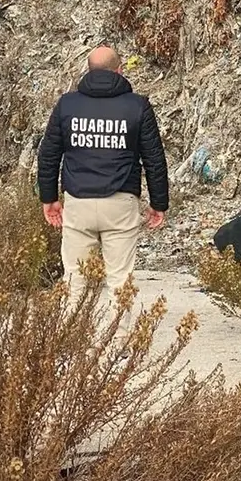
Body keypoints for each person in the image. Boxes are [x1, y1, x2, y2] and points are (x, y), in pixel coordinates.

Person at [37, 44, 169, 308]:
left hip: (78, 203)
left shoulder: (67, 105)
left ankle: (70, 345)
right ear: (119, 71)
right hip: (120, 203)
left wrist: (49, 198)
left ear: (88, 70)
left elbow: (49, 154)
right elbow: (154, 159)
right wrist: (159, 203)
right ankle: (118, 345)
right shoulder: (138, 106)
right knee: (119, 281)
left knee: (74, 281)